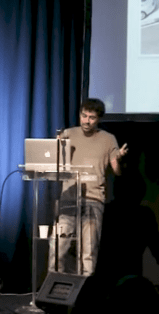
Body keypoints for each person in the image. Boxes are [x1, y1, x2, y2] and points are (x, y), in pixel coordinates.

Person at [49, 98, 128, 276]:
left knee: (88, 252)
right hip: (69, 199)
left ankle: (85, 289)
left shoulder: (108, 139)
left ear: (99, 119)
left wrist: (119, 158)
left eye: (91, 118)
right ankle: (54, 287)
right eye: (83, 116)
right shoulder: (68, 134)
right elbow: (54, 163)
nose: (86, 121)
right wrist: (56, 146)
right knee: (58, 246)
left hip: (93, 200)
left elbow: (117, 171)